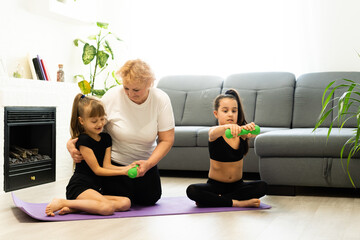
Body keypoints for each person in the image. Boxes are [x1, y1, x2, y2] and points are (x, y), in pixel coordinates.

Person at [67, 59, 175, 206]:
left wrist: (149, 164)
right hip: (115, 165)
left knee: (150, 199)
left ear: (149, 84)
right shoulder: (112, 96)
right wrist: (71, 144)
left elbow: (166, 140)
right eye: (126, 88)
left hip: (144, 164)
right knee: (122, 200)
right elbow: (90, 127)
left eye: (136, 90)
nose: (130, 94)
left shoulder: (160, 100)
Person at [46, 94, 135, 216]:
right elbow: (98, 170)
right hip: (80, 187)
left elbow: (107, 166)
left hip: (95, 188)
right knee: (107, 208)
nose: (99, 124)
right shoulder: (83, 141)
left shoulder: (106, 138)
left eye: (102, 119)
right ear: (82, 121)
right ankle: (63, 201)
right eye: (94, 121)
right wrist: (123, 172)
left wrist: (127, 168)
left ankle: (76, 207)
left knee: (126, 203)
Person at [186, 89, 267, 207]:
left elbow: (252, 134)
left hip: (237, 186)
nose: (230, 114)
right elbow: (212, 133)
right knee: (192, 190)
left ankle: (217, 200)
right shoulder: (214, 132)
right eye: (225, 111)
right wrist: (228, 126)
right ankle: (237, 203)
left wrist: (249, 128)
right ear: (216, 114)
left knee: (262, 186)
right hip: (215, 186)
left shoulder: (240, 133)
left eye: (234, 111)